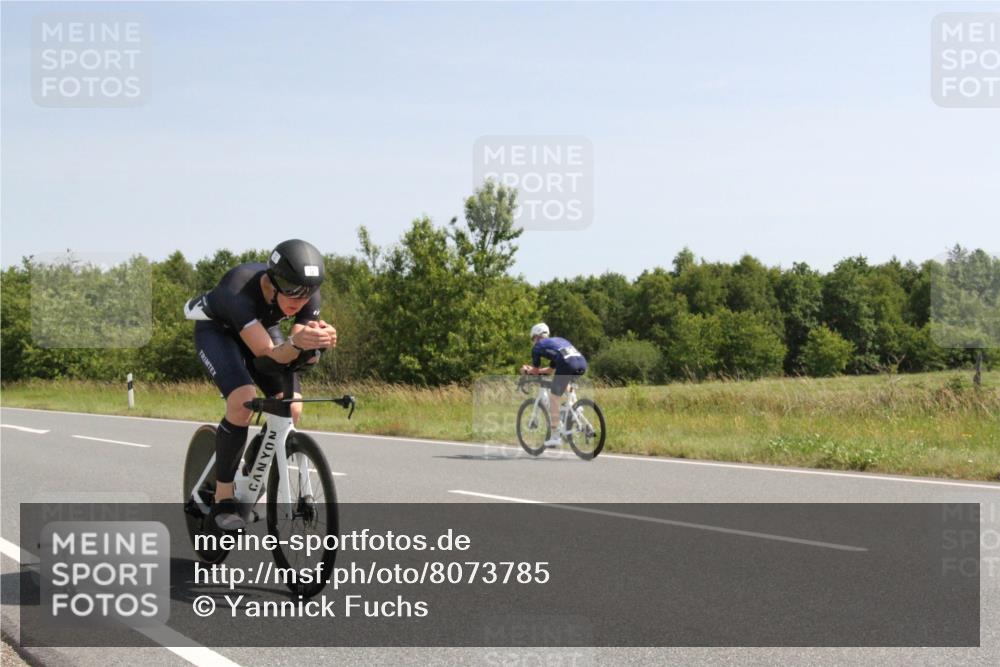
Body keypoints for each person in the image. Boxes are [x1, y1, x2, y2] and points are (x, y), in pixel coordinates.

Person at [185, 239, 337, 531]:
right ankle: (224, 495)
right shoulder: (238, 288)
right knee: (243, 399)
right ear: (274, 280)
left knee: (291, 408)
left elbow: (296, 350)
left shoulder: (307, 295)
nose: (299, 299)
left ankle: (253, 467)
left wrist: (319, 343)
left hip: (262, 331)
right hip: (219, 333)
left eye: (307, 292)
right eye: (292, 289)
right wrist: (297, 343)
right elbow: (267, 355)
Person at [520, 323, 587, 448]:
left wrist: (526, 370)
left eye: (533, 339)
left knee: (554, 397)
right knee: (564, 381)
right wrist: (535, 370)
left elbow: (535, 371)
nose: (533, 342)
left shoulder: (537, 347)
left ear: (536, 336)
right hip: (581, 362)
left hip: (566, 363)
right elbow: (549, 371)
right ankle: (575, 406)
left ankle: (555, 436)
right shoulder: (557, 343)